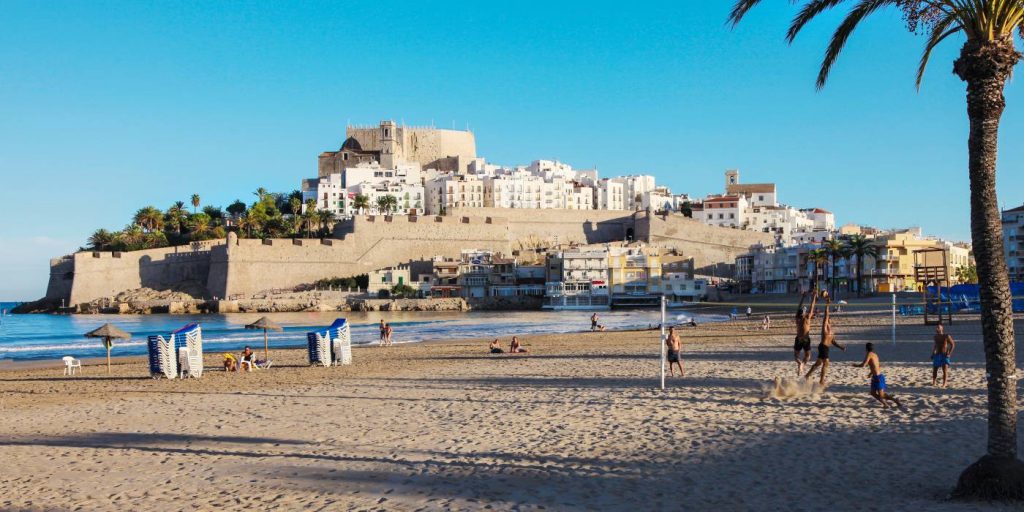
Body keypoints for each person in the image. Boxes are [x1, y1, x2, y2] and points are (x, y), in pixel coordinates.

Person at [805, 293, 845, 385]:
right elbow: (826, 315)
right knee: (826, 363)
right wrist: (827, 304)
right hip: (823, 346)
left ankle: (807, 375)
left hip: (825, 347)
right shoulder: (825, 328)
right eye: (828, 319)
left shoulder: (832, 332)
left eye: (829, 319)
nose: (828, 320)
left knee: (818, 363)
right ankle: (821, 380)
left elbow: (833, 341)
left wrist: (840, 347)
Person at [854, 343, 902, 409]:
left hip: (878, 378)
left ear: (866, 348)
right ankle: (885, 404)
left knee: (881, 395)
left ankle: (895, 400)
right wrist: (871, 373)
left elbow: (863, 365)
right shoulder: (875, 354)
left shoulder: (869, 354)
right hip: (875, 377)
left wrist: (855, 365)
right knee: (873, 393)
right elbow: (877, 365)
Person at [793, 290, 818, 375]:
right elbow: (812, 306)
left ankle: (799, 363)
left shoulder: (797, 318)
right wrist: (814, 296)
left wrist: (803, 297)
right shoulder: (807, 318)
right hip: (806, 339)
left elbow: (798, 307)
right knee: (808, 356)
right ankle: (802, 364)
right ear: (804, 312)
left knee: (796, 356)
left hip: (799, 338)